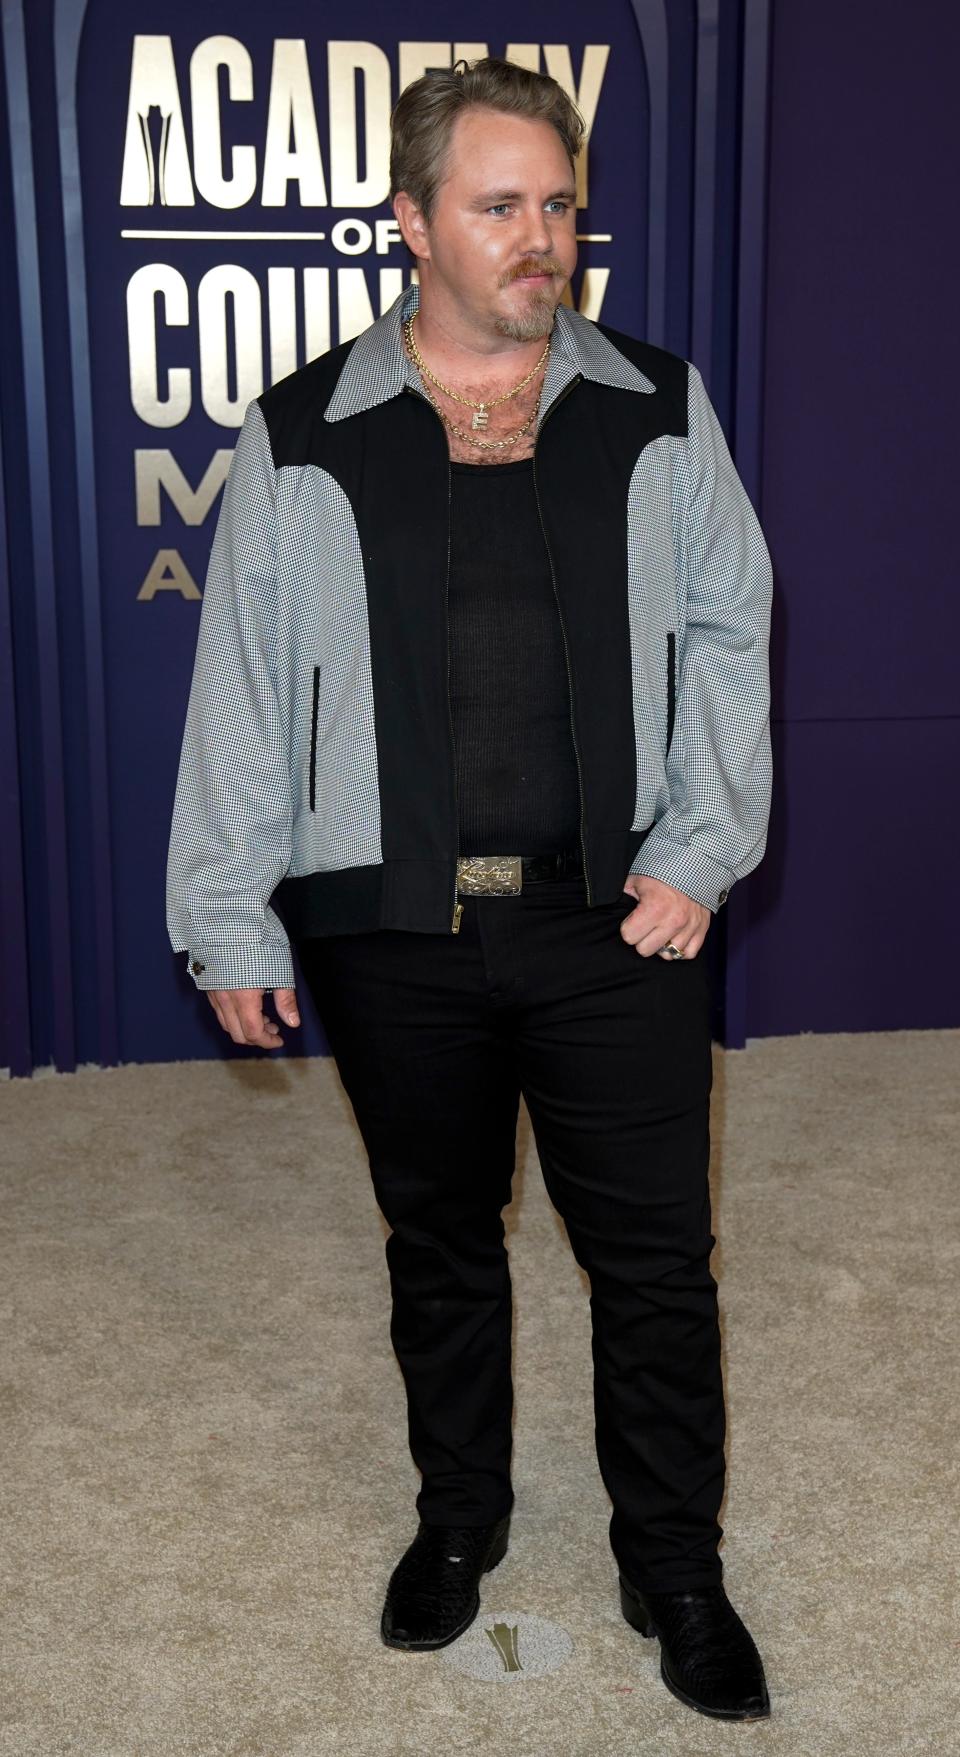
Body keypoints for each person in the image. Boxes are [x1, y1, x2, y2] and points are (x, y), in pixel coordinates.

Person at [166, 56, 774, 1722]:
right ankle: (460, 1522)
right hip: (393, 927)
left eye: (561, 203)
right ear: (412, 224)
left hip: (617, 920)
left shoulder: (658, 401)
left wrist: (699, 848)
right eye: (500, 206)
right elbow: (239, 684)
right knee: (440, 1244)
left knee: (656, 1262)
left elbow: (732, 627)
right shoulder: (303, 432)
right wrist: (228, 908)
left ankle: (676, 1562)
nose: (542, 238)